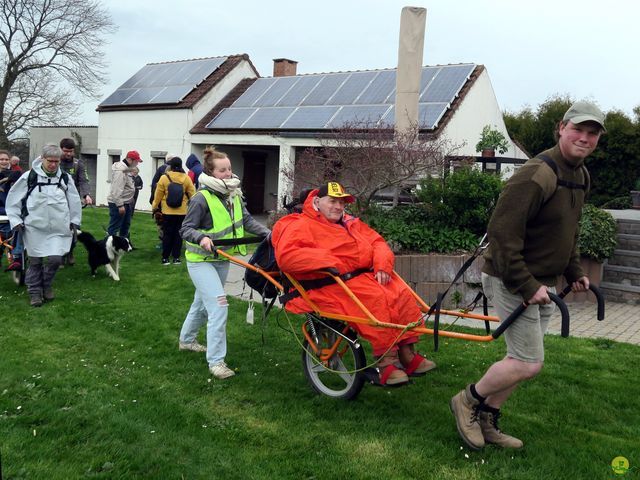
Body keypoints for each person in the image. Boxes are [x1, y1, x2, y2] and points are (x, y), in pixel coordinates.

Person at [450, 101, 606, 450]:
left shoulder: (580, 176)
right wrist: (526, 284)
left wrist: (574, 270)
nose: (584, 137)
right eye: (578, 129)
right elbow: (502, 236)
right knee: (527, 362)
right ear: (561, 128)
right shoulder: (537, 174)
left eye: (592, 133)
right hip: (512, 278)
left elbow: (570, 229)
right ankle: (467, 401)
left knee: (522, 361)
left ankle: (488, 419)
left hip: (543, 283)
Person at [271, 182, 436, 386]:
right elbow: (288, 256)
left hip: (360, 279)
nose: (338, 207)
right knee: (377, 301)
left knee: (401, 293)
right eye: (332, 201)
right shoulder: (299, 224)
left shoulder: (350, 222)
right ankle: (387, 364)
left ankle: (407, 353)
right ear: (316, 202)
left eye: (341, 203)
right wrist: (329, 260)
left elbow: (377, 242)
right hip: (330, 284)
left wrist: (382, 264)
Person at [179, 147, 270, 379]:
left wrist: (270, 234)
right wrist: (202, 237)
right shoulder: (201, 198)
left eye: (229, 168)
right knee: (218, 306)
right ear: (210, 172)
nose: (228, 173)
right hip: (201, 261)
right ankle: (216, 362)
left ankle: (186, 341)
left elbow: (247, 220)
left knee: (201, 303)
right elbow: (186, 229)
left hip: (222, 259)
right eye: (222, 170)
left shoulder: (234, 194)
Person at [5, 144, 82, 307]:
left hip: (58, 228)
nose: (53, 165)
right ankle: (34, 292)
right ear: (42, 159)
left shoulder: (65, 178)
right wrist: (16, 220)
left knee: (55, 260)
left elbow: (74, 201)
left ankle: (46, 284)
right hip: (34, 228)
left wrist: (75, 221)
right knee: (35, 262)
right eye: (50, 161)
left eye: (56, 161)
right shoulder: (29, 177)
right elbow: (13, 199)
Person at [152, 157, 195, 265]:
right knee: (178, 234)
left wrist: (154, 207)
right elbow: (192, 195)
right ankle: (176, 258)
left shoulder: (164, 178)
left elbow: (158, 195)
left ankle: (165, 258)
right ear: (181, 166)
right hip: (182, 212)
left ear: (170, 166)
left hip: (167, 211)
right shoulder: (186, 178)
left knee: (167, 234)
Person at [59, 138, 93, 266]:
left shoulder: (78, 164)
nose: (68, 154)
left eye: (71, 151)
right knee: (60, 229)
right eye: (66, 151)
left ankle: (70, 251)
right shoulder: (54, 163)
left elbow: (83, 180)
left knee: (74, 229)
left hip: (73, 202)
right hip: (57, 203)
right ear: (61, 149)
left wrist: (86, 195)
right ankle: (60, 256)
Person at [107, 150, 142, 239]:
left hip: (126, 202)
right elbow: (116, 189)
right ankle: (109, 246)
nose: (137, 164)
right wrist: (120, 205)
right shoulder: (121, 170)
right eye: (136, 161)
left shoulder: (127, 168)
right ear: (131, 160)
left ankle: (123, 245)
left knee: (125, 226)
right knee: (115, 226)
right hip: (119, 203)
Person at [0, 150, 24, 270]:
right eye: (1, 159)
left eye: (6, 159)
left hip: (13, 210)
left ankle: (17, 257)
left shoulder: (16, 174)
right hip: (2, 211)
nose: (4, 161)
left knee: (19, 228)